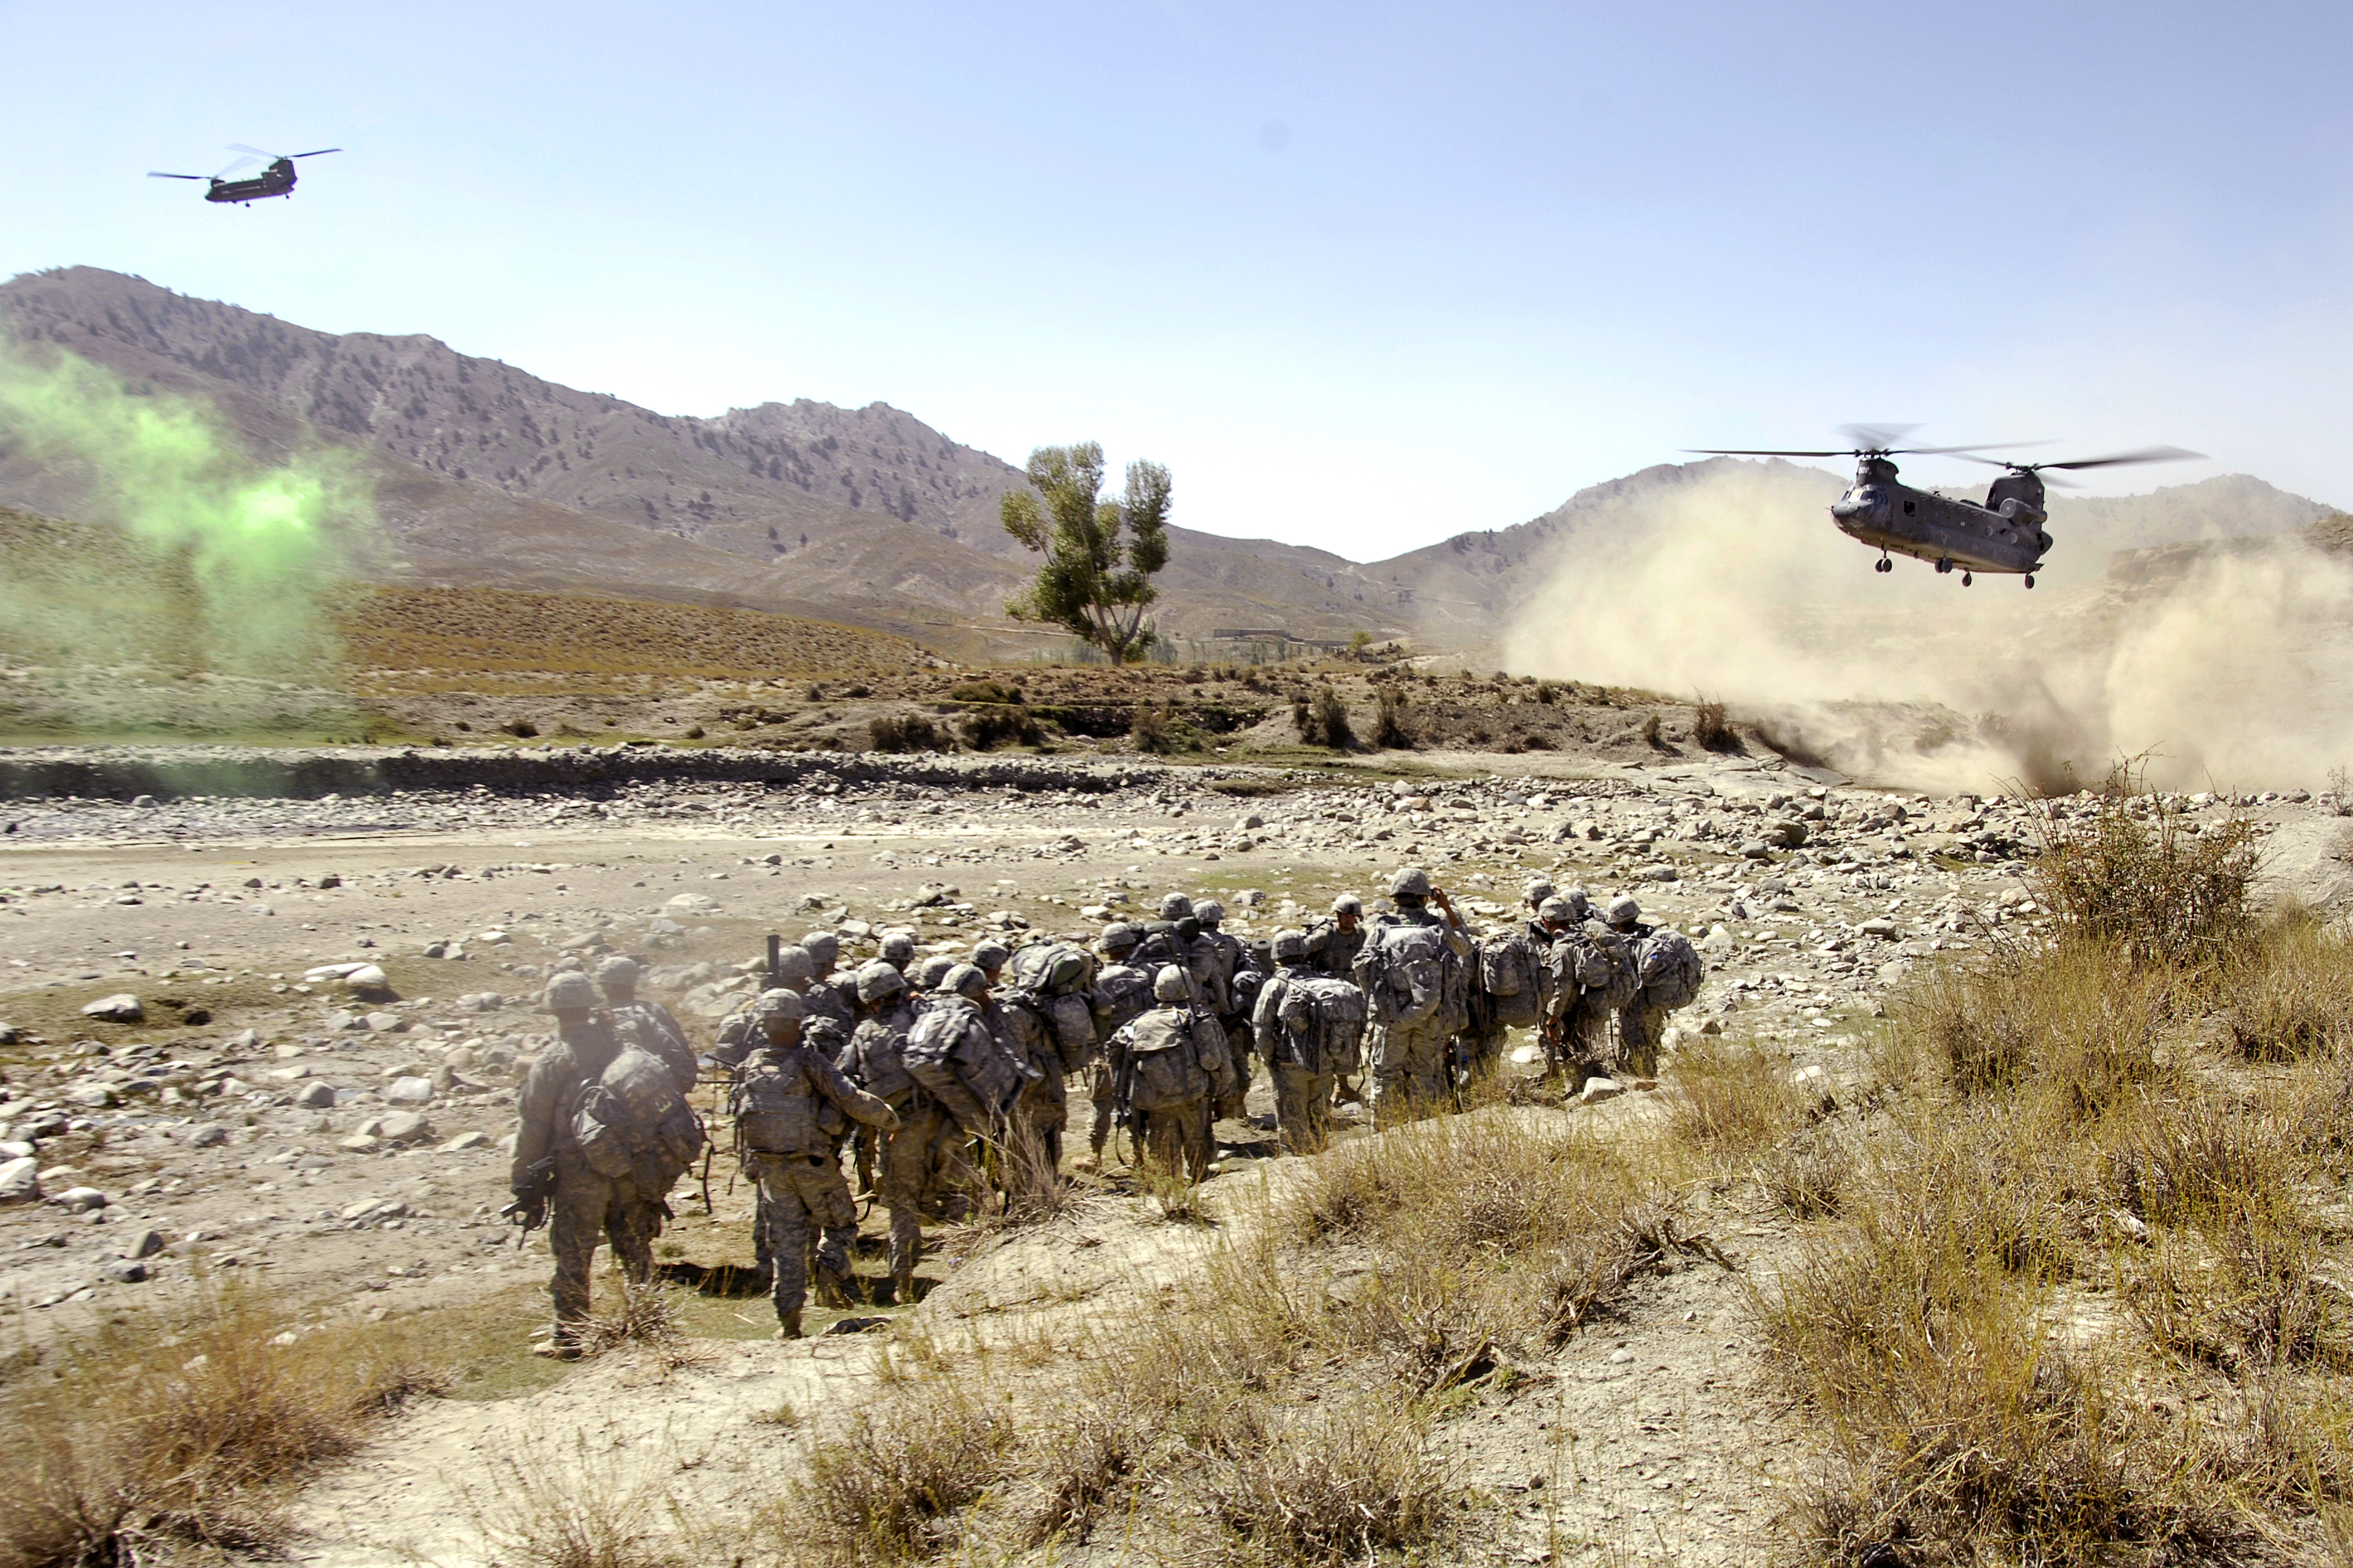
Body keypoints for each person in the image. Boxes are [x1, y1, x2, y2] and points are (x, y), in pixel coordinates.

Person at [510, 973, 663, 1359]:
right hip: (628, 1166)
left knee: (574, 1253)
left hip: (579, 1173)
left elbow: (534, 1125)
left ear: (555, 1010)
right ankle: (649, 1325)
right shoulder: (620, 1046)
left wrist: (523, 1182)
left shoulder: (554, 1059)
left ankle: (570, 1337)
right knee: (633, 1246)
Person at [730, 990, 898, 1338]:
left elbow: (742, 1120)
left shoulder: (749, 1066)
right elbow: (849, 1098)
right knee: (840, 1227)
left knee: (786, 1245)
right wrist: (891, 1120)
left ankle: (789, 1324)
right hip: (813, 1164)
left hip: (772, 1170)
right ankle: (829, 1277)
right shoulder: (809, 1061)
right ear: (796, 1022)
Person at [837, 961, 945, 1302]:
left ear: (871, 1000)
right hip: (941, 1120)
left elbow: (848, 1079)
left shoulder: (864, 1033)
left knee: (902, 1201)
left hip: (896, 1127)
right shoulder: (921, 1017)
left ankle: (902, 1280)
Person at [1354, 867, 1473, 1119]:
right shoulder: (1438, 928)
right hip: (1430, 1018)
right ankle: (1422, 1129)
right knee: (1425, 1073)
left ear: (1395, 898)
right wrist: (1447, 908)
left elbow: (1362, 967)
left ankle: (1384, 1132)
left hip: (1390, 1018)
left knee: (1386, 1075)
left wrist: (1378, 1006)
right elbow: (1465, 948)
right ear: (1425, 897)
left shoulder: (1381, 929)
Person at [1107, 966, 1235, 1182]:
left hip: (1153, 1102)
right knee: (1198, 1148)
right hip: (1192, 1097)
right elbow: (1213, 1062)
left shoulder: (1137, 1023)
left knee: (1164, 1156)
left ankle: (1170, 1191)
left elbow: (1117, 1056)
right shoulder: (1199, 1020)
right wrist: (1221, 1094)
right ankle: (1200, 1183)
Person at [1252, 930, 1343, 1152]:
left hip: (1289, 1064)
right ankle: (1321, 1161)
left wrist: (1269, 1060)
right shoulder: (1322, 981)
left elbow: (1262, 1028)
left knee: (1293, 1121)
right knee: (1319, 1117)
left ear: (1277, 957)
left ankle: (1297, 1164)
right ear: (1303, 954)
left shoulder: (1274, 986)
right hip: (1323, 1063)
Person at [1086, 924, 1156, 1166]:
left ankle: (1095, 1155)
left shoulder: (1097, 980)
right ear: (1130, 946)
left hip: (1108, 1052)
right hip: (1143, 1050)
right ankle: (1140, 1154)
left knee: (1101, 1102)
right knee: (1140, 1102)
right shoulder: (1148, 973)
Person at [595, 956, 697, 1093]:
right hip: (663, 1091)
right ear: (633, 982)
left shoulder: (597, 1019)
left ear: (604, 986)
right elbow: (684, 1055)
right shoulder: (654, 1011)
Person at [1193, 899, 1253, 1120]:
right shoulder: (1233, 944)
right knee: (1237, 1059)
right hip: (1231, 1015)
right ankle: (1235, 1108)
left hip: (1199, 1015)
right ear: (1219, 919)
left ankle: (1209, 1108)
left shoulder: (1191, 945)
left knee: (1204, 1061)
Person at [1311, 894, 1367, 979]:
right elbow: (1304, 950)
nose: (1349, 920)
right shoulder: (1327, 933)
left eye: (1352, 916)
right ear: (1338, 915)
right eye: (1346, 916)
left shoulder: (1360, 934)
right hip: (1328, 986)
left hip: (1354, 987)